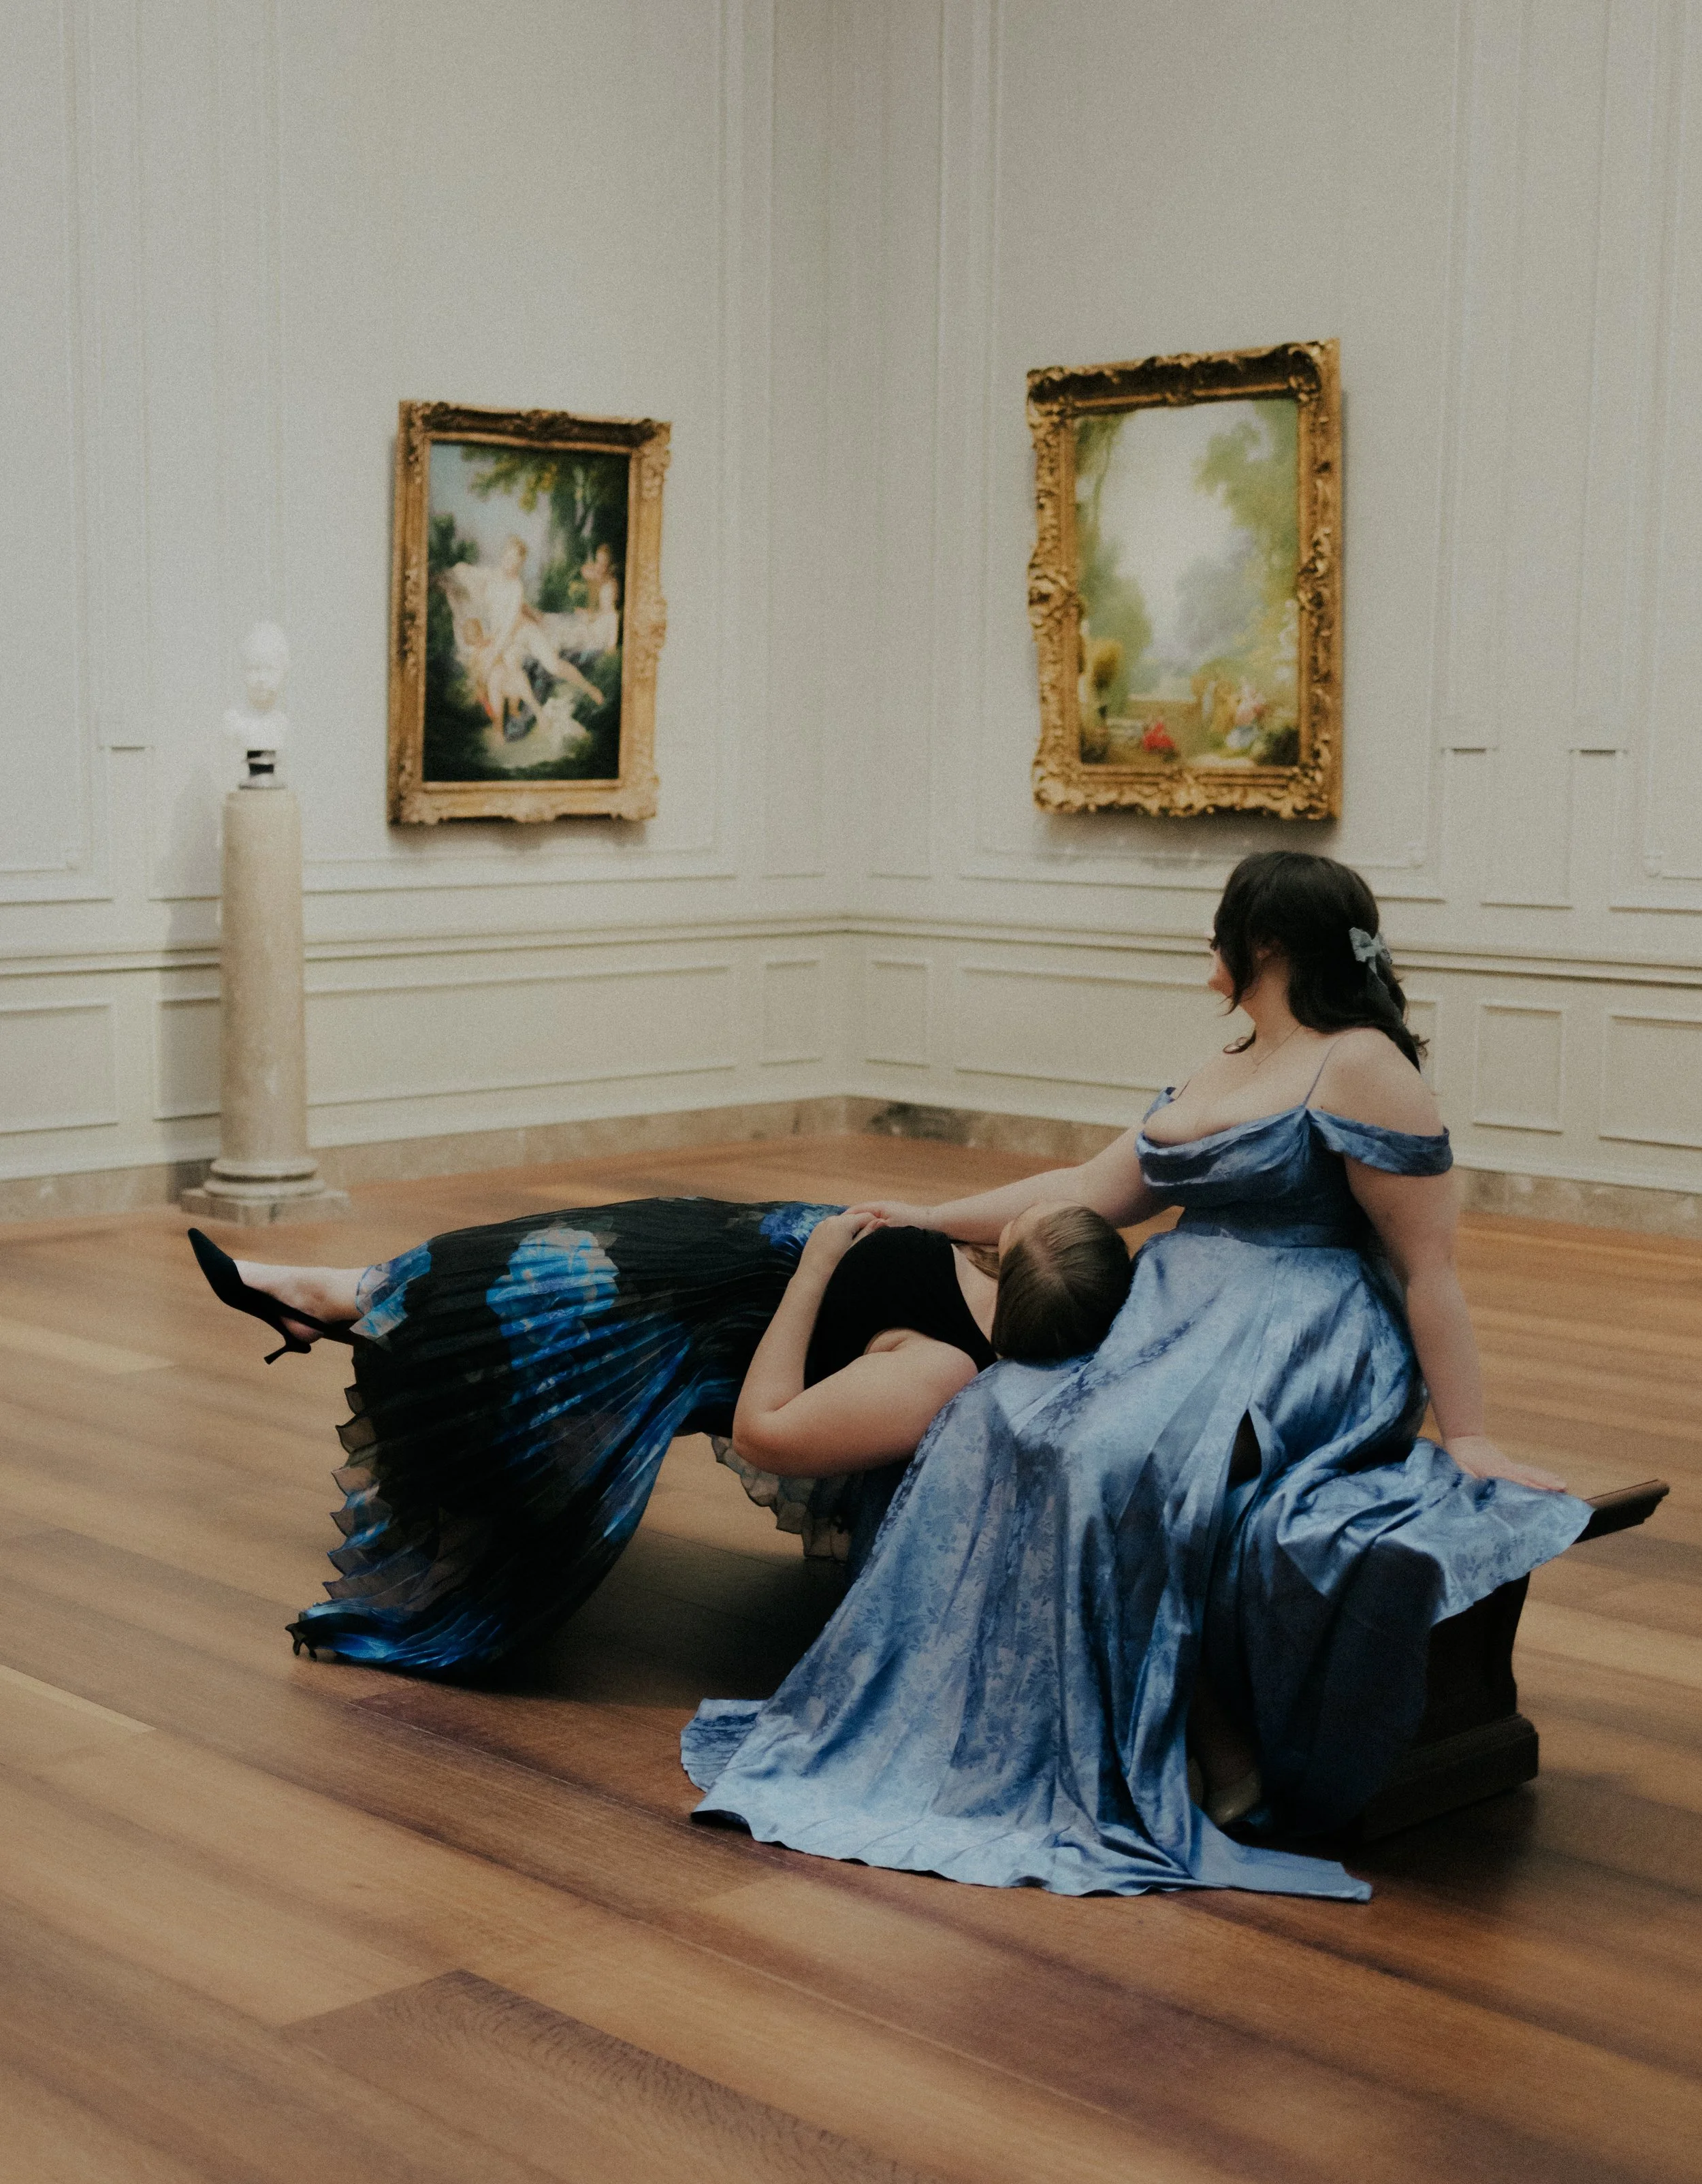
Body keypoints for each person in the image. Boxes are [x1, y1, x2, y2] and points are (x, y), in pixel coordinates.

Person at [681, 850, 1593, 1902]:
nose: (1208, 943)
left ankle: (1195, 1733)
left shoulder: (1364, 1066)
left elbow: (1429, 1266)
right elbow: (1087, 1187)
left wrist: (1466, 1433)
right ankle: (1000, 1724)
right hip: (1173, 1315)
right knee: (997, 1410)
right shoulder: (1230, 1061)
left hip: (1299, 1335)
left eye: (1221, 925)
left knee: (1111, 1453)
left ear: (1263, 942)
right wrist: (928, 1216)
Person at [187, 1195, 1132, 1673]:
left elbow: (766, 1432)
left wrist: (815, 1268)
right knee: (516, 1253)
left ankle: (327, 1299)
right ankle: (334, 1296)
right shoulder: (981, 1269)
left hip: (681, 1322)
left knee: (522, 1296)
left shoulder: (940, 1369)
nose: (1013, 1214)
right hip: (702, 1256)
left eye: (1026, 1222)